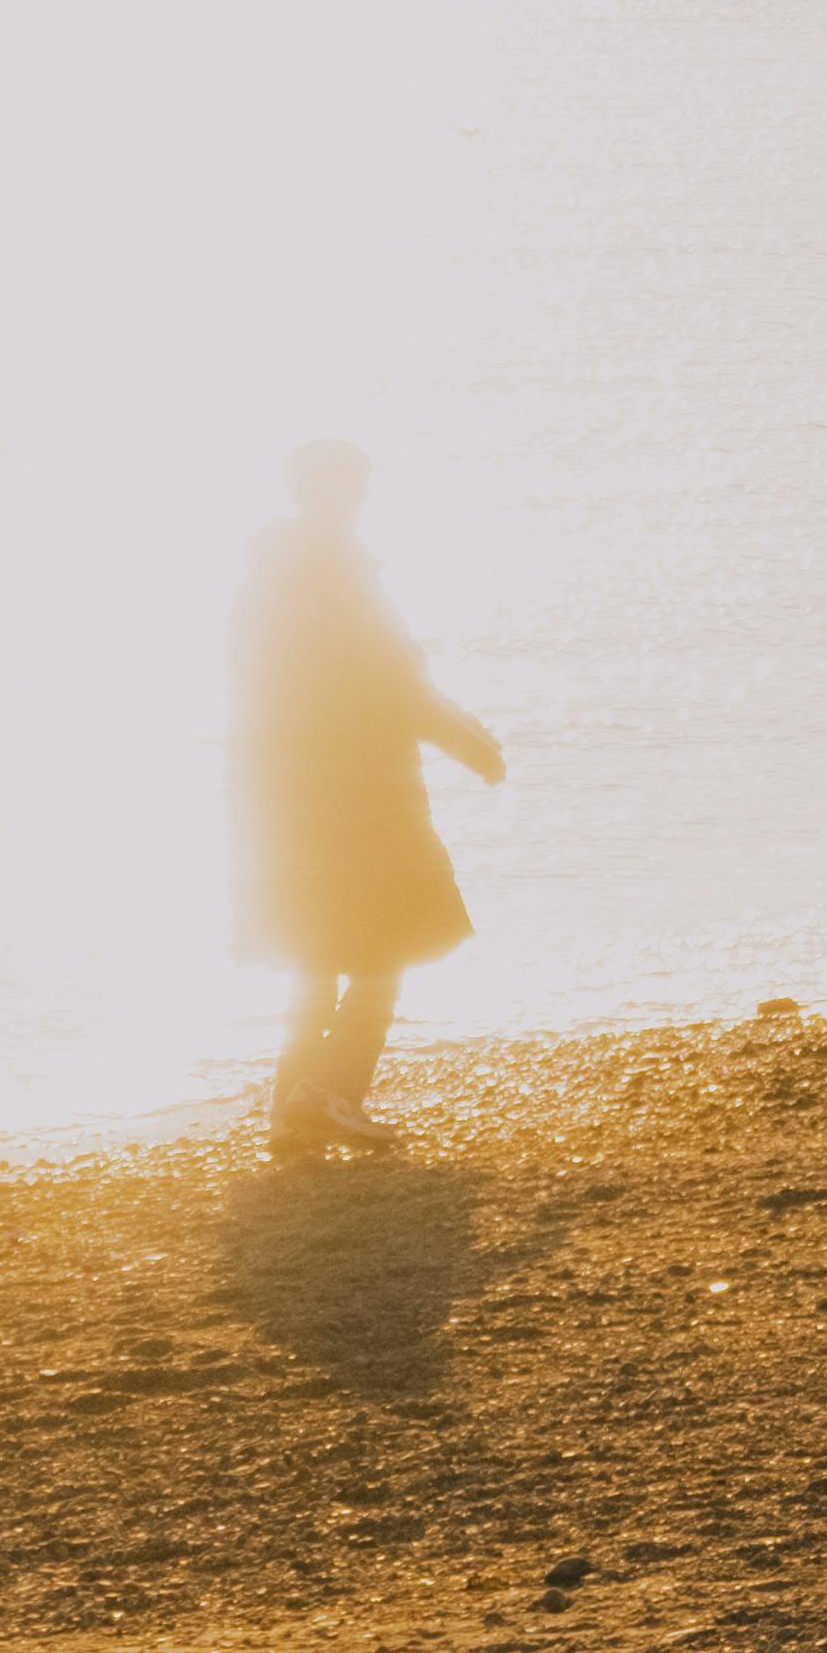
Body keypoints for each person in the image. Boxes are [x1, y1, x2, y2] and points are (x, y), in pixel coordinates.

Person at [230, 441, 504, 1154]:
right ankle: (333, 1091)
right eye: (353, 486)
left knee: (321, 946)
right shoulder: (336, 575)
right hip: (363, 790)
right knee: (384, 942)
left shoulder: (269, 579)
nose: (357, 498)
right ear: (341, 491)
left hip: (291, 795)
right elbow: (389, 682)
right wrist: (467, 741)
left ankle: (296, 1101)